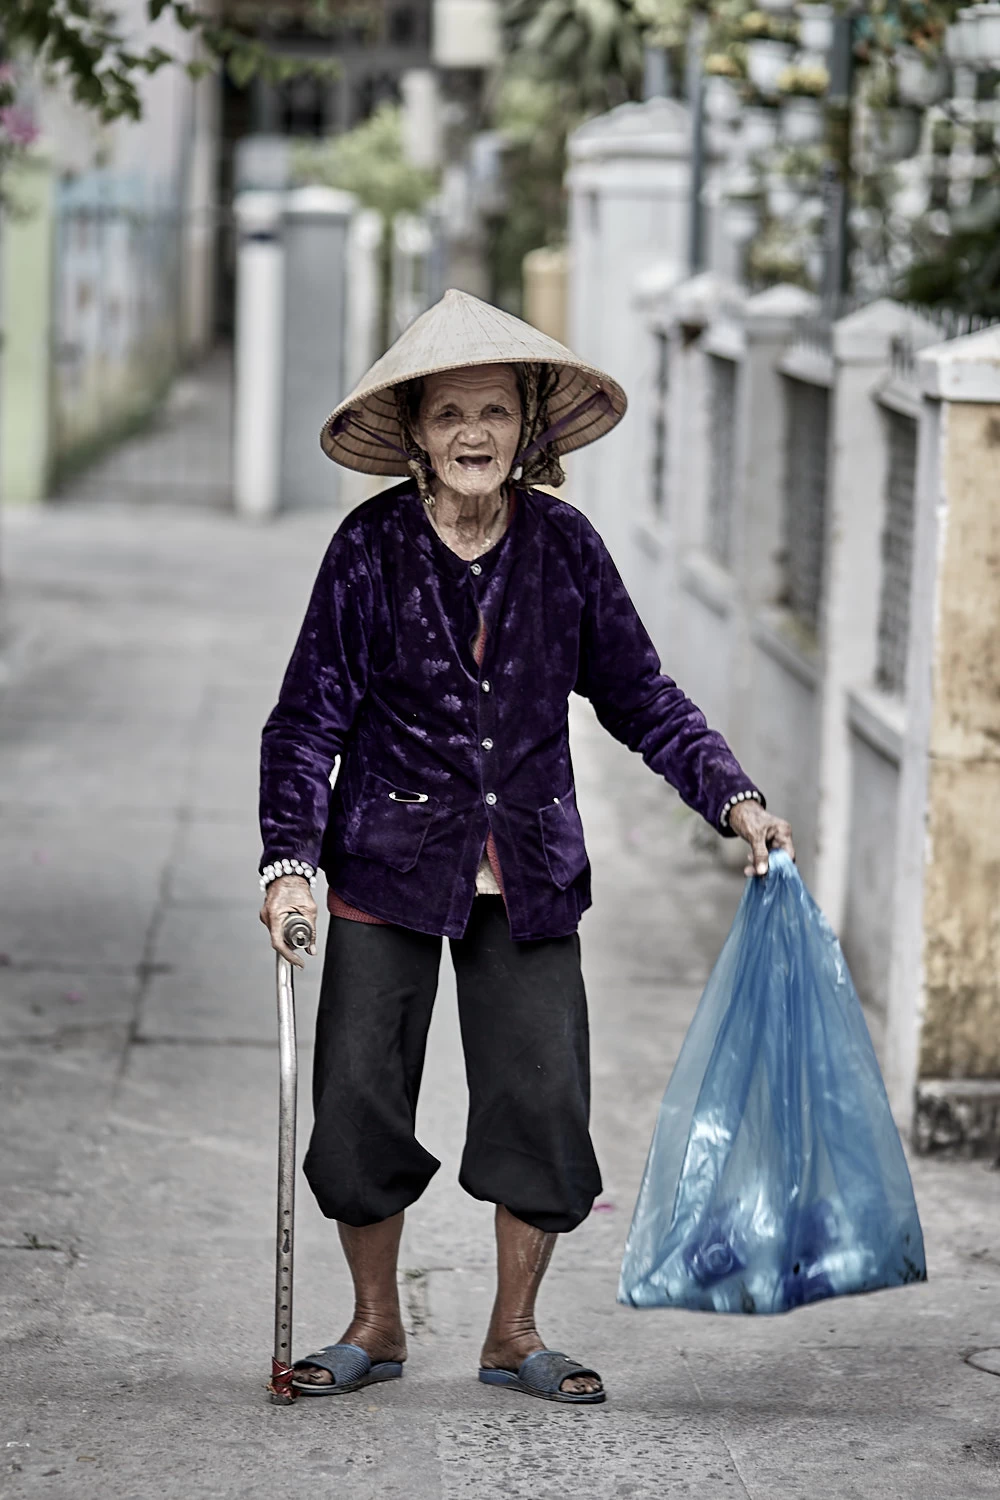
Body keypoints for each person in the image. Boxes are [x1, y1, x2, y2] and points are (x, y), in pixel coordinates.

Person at [258, 289, 795, 1405]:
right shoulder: (368, 551)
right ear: (413, 432)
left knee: (541, 1100)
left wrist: (733, 798)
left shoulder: (564, 549)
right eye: (449, 411)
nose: (472, 433)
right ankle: (374, 1321)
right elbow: (306, 718)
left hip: (529, 873)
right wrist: (288, 861)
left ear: (527, 425)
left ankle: (513, 1333)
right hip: (384, 865)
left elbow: (641, 696)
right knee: (357, 1099)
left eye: (493, 410)